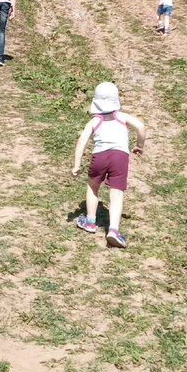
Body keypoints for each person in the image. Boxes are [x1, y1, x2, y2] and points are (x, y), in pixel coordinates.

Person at [71, 82, 146, 248]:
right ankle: (113, 229)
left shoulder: (94, 121)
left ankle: (90, 221)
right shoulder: (122, 117)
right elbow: (141, 126)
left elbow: (81, 141)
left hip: (100, 156)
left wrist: (77, 164)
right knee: (117, 194)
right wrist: (139, 145)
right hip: (120, 156)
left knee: (93, 186)